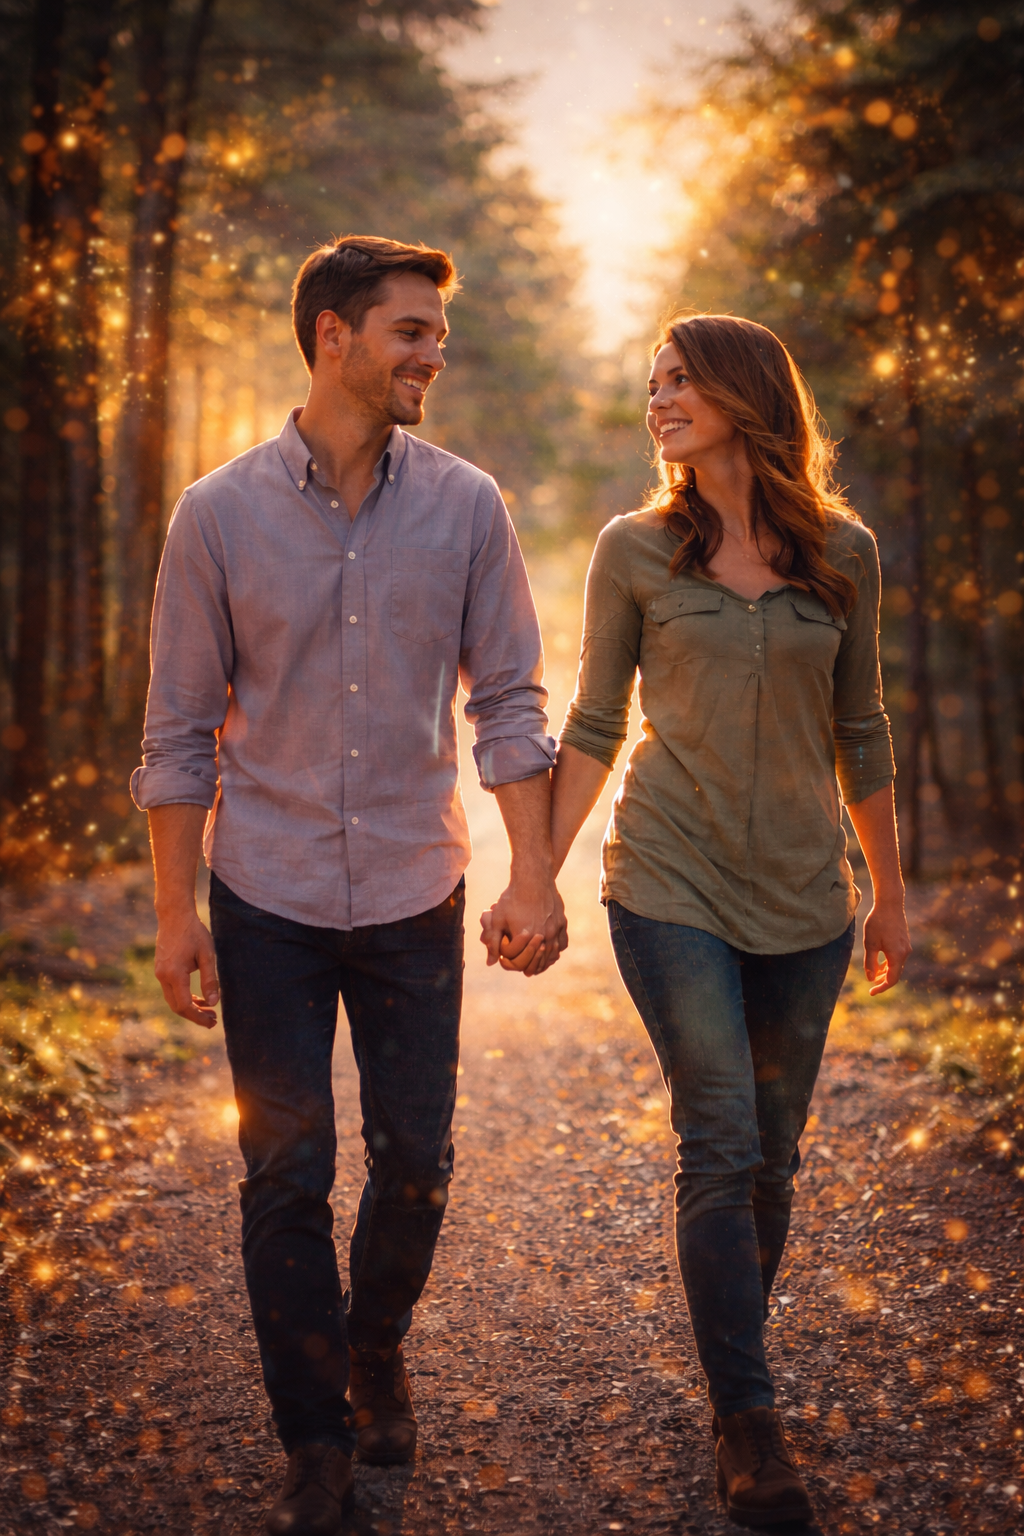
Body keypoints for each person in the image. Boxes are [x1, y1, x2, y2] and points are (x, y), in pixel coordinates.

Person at [131, 234, 566, 1536]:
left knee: (418, 1160)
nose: (435, 353)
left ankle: (374, 1343)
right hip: (262, 893)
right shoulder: (216, 516)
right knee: (285, 1174)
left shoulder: (468, 508)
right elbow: (176, 733)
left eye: (438, 333)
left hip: (414, 886)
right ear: (334, 336)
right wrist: (174, 914)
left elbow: (510, 702)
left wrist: (533, 873)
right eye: (411, 332)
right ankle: (313, 1440)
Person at [546, 313, 911, 1529]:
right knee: (719, 1138)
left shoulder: (843, 553)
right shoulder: (634, 550)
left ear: (745, 396)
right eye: (652, 384)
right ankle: (749, 1425)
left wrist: (889, 895)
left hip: (807, 895)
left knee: (771, 1156)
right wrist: (534, 873)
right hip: (670, 879)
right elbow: (594, 722)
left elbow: (860, 727)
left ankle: (731, 1371)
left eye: (679, 383)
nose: (658, 402)